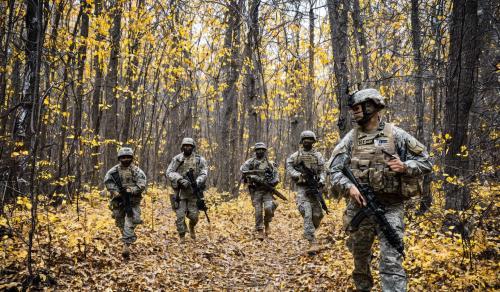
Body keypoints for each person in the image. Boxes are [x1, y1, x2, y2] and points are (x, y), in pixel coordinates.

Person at [329, 88, 432, 291]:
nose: (354, 112)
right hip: (360, 207)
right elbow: (333, 169)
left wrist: (405, 166)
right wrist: (348, 186)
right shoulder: (351, 138)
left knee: (392, 261)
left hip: (391, 206)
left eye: (357, 108)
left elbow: (426, 161)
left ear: (372, 107)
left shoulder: (396, 134)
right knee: (360, 258)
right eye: (353, 109)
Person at [286, 131, 326, 253]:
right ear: (301, 141)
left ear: (314, 141)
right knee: (307, 213)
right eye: (305, 139)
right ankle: (312, 241)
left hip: (314, 188)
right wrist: (299, 175)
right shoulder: (296, 155)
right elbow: (289, 166)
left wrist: (321, 180)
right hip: (302, 189)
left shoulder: (318, 156)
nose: (307, 141)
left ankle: (309, 231)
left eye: (310, 139)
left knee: (318, 214)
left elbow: (323, 170)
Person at [104, 147, 147, 259]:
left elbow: (142, 184)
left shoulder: (137, 171)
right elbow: (108, 181)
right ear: (119, 158)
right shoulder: (113, 171)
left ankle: (126, 245)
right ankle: (127, 237)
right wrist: (115, 191)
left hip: (132, 201)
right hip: (118, 201)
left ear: (132, 158)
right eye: (123, 157)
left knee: (133, 219)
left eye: (128, 157)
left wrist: (131, 190)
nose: (126, 159)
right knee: (120, 221)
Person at [166, 138, 208, 243]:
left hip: (194, 192)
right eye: (185, 145)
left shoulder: (199, 159)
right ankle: (182, 235)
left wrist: (197, 182)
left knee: (194, 216)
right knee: (180, 216)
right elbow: (169, 172)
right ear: (182, 146)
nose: (187, 147)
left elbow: (204, 172)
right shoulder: (177, 159)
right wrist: (179, 179)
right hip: (180, 192)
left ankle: (191, 226)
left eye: (189, 146)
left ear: (193, 147)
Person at [240, 142, 280, 240]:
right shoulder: (250, 162)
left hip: (267, 190)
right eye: (258, 149)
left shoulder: (270, 163)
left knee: (268, 208)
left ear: (265, 151)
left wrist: (271, 182)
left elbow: (276, 176)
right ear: (255, 151)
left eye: (262, 149)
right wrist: (252, 177)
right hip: (256, 190)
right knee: (258, 211)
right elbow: (243, 171)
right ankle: (260, 230)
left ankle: (267, 222)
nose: (260, 151)